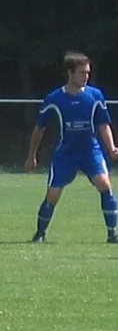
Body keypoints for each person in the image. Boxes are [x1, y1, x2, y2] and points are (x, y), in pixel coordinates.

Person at [25, 51, 118, 243]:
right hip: (65, 154)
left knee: (105, 185)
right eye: (82, 72)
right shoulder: (54, 98)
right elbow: (39, 128)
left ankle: (112, 233)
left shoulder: (95, 96)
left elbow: (102, 124)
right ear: (70, 73)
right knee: (52, 195)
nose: (86, 76)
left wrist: (111, 147)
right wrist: (31, 156)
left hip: (90, 151)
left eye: (88, 72)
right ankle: (40, 233)